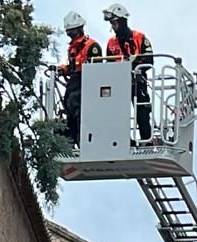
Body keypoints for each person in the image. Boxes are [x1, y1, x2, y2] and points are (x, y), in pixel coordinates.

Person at [102, 3, 153, 142]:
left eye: (114, 23)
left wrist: (136, 68)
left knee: (142, 114)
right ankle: (123, 142)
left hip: (138, 83)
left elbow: (149, 59)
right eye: (111, 23)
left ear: (122, 21)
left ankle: (146, 142)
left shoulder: (140, 37)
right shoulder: (111, 43)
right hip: (118, 85)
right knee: (117, 115)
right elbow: (109, 64)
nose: (113, 26)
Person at [58, 12, 103, 146]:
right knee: (68, 104)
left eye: (72, 32)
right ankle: (71, 137)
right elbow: (73, 67)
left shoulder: (92, 46)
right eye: (69, 32)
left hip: (87, 82)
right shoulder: (73, 48)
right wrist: (64, 69)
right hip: (75, 80)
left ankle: (80, 137)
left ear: (79, 29)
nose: (71, 35)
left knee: (74, 103)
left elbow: (97, 69)